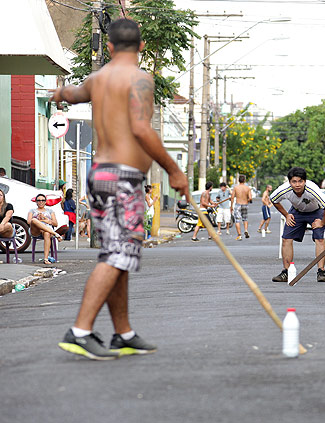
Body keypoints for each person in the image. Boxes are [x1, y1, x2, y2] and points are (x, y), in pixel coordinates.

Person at [51, 18, 189, 360]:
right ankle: (80, 330)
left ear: (110, 47)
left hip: (98, 175)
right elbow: (141, 129)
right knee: (118, 254)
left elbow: (73, 93)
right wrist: (174, 170)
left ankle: (122, 333)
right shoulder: (141, 79)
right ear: (141, 47)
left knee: (119, 253)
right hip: (122, 179)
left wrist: (59, 94)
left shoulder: (98, 78)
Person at [271, 167, 325, 283]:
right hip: (297, 211)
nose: (297, 185)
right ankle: (286, 272)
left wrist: (322, 222)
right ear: (289, 182)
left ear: (305, 181)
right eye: (294, 182)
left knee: (319, 239)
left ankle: (321, 271)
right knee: (286, 238)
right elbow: (273, 199)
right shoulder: (284, 189)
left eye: (300, 181)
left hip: (316, 211)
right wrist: (286, 215)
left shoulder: (312, 189)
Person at [28, 193, 64, 264]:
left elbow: (55, 223)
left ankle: (46, 259)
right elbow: (29, 221)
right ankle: (55, 234)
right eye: (38, 200)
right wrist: (38, 219)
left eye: (42, 200)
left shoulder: (50, 211)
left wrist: (45, 219)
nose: (41, 202)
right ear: (36, 202)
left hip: (47, 230)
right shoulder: (32, 210)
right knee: (33, 220)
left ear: (45, 201)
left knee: (47, 233)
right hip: (36, 230)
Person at [231, 175, 252, 240]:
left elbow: (232, 197)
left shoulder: (236, 188)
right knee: (245, 219)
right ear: (244, 180)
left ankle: (239, 235)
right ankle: (246, 230)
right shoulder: (247, 188)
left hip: (238, 204)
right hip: (245, 204)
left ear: (238, 180)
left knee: (237, 220)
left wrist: (231, 206)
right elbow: (250, 198)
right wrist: (247, 200)